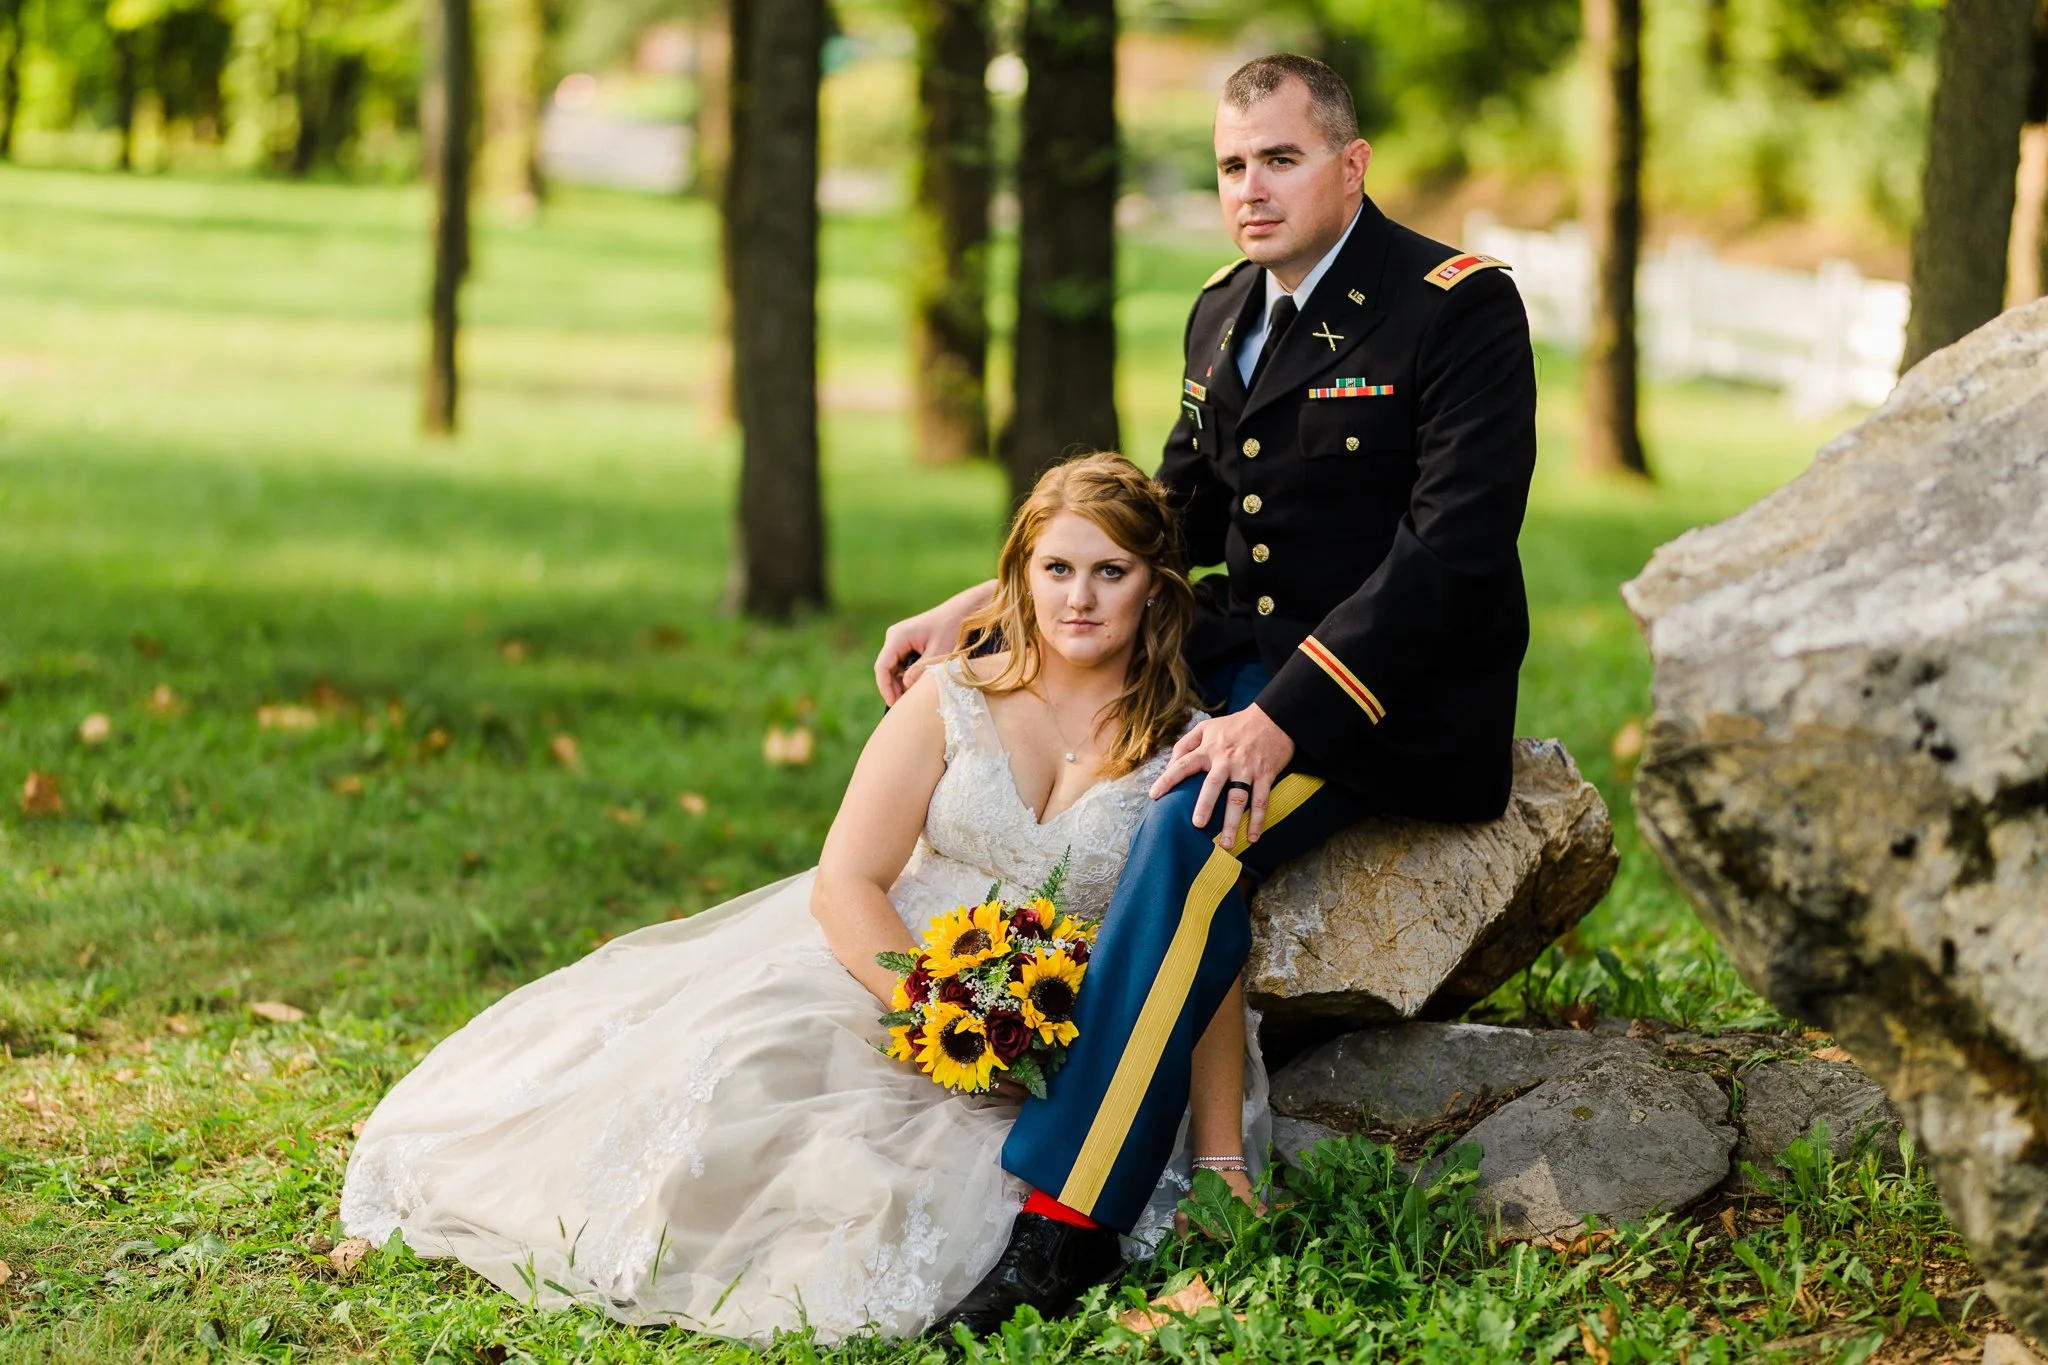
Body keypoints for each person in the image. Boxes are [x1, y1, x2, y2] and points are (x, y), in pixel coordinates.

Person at [881, 54, 1538, 1334]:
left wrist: (1280, 715)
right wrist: (979, 605)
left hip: (1380, 702)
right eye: (1232, 164)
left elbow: (1449, 550)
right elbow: (1169, 512)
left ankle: (1065, 1223)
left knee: (1184, 839)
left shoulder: (1453, 307)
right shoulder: (1222, 308)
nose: (1249, 188)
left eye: (1279, 159)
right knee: (1115, 804)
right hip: (1229, 667)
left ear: (1349, 164)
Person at [338, 453, 1275, 1343]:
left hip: (1071, 1026)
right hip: (890, 965)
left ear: (1155, 583)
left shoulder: (1192, 747)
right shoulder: (952, 696)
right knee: (742, 1082)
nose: (1079, 597)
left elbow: (1198, 953)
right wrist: (934, 1010)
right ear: (1017, 576)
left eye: (1110, 571)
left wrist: (1221, 1153)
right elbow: (846, 881)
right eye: (1057, 567)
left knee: (905, 1198)